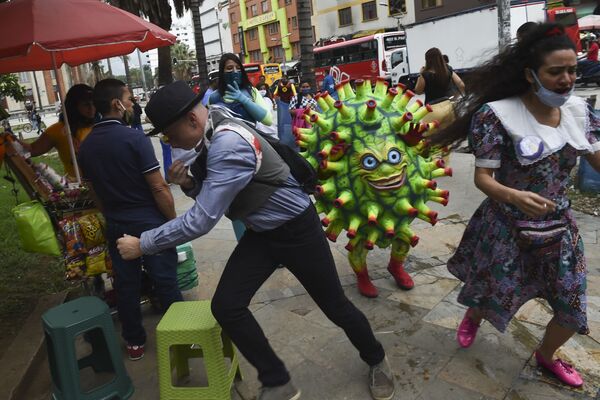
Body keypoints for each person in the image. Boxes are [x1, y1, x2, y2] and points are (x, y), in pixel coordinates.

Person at [116, 81, 396, 400]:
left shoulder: (227, 144)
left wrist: (143, 243)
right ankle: (277, 380)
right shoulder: (212, 124)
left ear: (191, 121)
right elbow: (214, 191)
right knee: (227, 305)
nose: (169, 141)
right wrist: (190, 183)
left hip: (297, 231)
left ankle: (376, 357)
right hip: (262, 233)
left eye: (169, 134)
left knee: (335, 306)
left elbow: (202, 219)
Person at [430, 23, 600, 388]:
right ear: (530, 74)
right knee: (492, 291)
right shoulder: (497, 115)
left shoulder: (578, 112)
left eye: (572, 70)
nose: (567, 79)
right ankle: (475, 315)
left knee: (571, 309)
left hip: (559, 230)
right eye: (555, 72)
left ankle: (546, 356)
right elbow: (483, 179)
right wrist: (515, 196)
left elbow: (597, 158)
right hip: (506, 228)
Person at [78, 78, 182, 361]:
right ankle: (183, 336)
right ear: (117, 104)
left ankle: (134, 342)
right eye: (130, 98)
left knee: (126, 285)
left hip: (117, 223)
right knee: (165, 279)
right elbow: (159, 187)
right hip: (150, 222)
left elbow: (93, 191)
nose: (133, 103)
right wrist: (173, 223)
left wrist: (111, 212)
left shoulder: (85, 147)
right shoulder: (134, 138)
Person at [209, 53, 274, 240]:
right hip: (229, 156)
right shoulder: (214, 98)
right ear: (222, 72)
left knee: (263, 198)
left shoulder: (251, 91)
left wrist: (243, 99)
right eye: (229, 68)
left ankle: (272, 245)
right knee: (235, 202)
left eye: (237, 68)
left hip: (256, 151)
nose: (234, 71)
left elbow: (267, 119)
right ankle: (245, 244)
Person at [21, 84, 95, 178]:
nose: (92, 108)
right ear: (74, 106)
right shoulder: (57, 130)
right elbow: (32, 149)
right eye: (86, 104)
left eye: (94, 103)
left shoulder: (102, 126)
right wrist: (12, 140)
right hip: (80, 187)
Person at [414, 47, 465, 129]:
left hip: (431, 110)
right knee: (448, 138)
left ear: (427, 60)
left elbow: (418, 91)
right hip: (448, 107)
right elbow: (461, 85)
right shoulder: (448, 69)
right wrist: (455, 97)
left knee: (431, 139)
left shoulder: (425, 75)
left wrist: (420, 74)